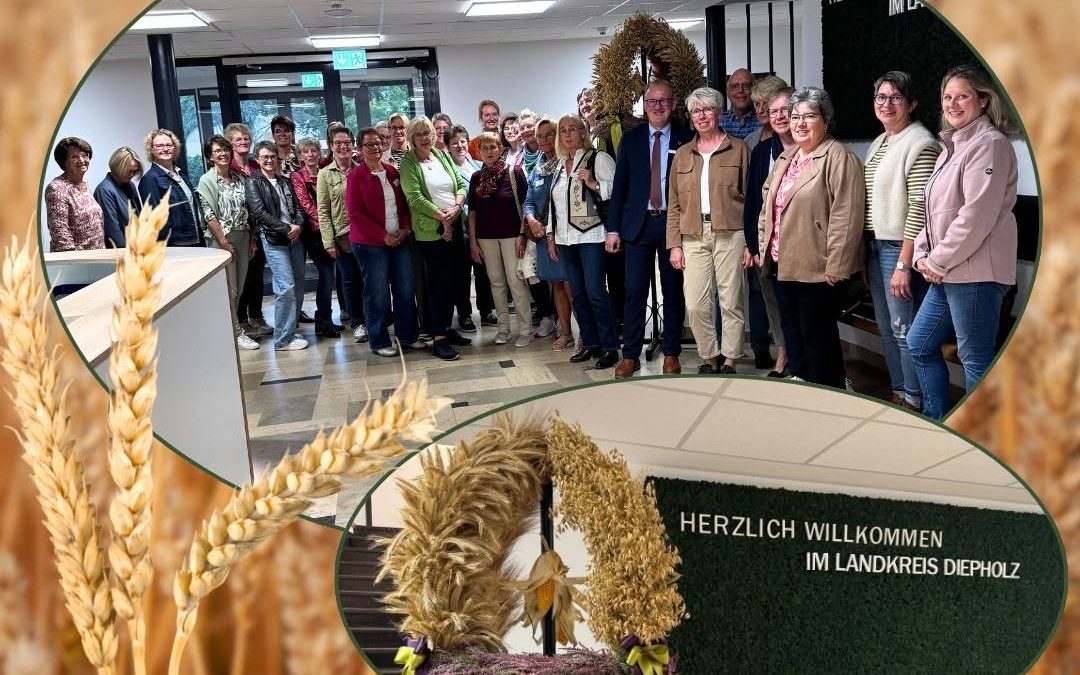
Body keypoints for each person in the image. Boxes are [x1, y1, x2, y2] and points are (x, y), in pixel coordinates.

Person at [908, 65, 1019, 420]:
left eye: (963, 96)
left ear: (983, 101)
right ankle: (940, 421)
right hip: (948, 271)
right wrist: (923, 255)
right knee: (919, 343)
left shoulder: (990, 145)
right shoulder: (951, 148)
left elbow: (975, 217)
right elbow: (933, 211)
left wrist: (936, 262)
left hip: (977, 275)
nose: (953, 103)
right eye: (947, 97)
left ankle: (980, 443)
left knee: (975, 358)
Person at [757, 87, 865, 388]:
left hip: (818, 268)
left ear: (826, 120)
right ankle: (802, 383)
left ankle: (827, 390)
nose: (800, 123)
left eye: (809, 116)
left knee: (817, 336)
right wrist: (765, 245)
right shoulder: (787, 157)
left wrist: (837, 265)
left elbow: (847, 215)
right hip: (783, 262)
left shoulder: (838, 158)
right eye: (795, 117)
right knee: (793, 330)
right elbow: (768, 205)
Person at [863, 71, 942, 412]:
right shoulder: (881, 142)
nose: (887, 104)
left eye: (896, 97)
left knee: (904, 330)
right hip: (876, 247)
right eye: (881, 97)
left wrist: (902, 265)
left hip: (899, 249)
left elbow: (919, 210)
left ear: (912, 103)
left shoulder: (920, 142)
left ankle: (915, 400)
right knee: (887, 327)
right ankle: (898, 392)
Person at [607, 80, 692, 378]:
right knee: (634, 291)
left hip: (673, 225)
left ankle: (671, 352)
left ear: (673, 103)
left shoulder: (686, 137)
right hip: (637, 226)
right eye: (652, 101)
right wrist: (612, 229)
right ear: (644, 106)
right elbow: (620, 188)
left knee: (673, 291)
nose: (658, 106)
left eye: (664, 101)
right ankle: (629, 354)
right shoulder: (630, 140)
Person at [668, 87, 750, 375]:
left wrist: (751, 242)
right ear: (691, 117)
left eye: (707, 109)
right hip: (693, 235)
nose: (702, 116)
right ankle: (709, 356)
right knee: (696, 303)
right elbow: (674, 204)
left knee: (731, 300)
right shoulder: (682, 154)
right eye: (696, 111)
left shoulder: (739, 148)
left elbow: (751, 199)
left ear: (719, 112)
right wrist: (674, 245)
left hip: (731, 233)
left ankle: (728, 359)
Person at [544, 114, 619, 368]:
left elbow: (618, 192)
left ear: (583, 132)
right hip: (565, 239)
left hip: (592, 236)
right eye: (563, 130)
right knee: (577, 294)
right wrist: (550, 235)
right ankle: (590, 343)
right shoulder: (558, 165)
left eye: (572, 129)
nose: (567, 134)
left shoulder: (598, 158)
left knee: (596, 291)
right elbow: (554, 205)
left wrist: (594, 183)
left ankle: (610, 346)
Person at [400, 115, 472, 361]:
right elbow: (415, 198)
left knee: (455, 283)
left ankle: (448, 328)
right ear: (411, 137)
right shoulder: (409, 163)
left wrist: (456, 208)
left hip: (454, 225)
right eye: (418, 134)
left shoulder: (441, 155)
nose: (424, 138)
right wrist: (442, 218)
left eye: (427, 133)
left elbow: (461, 185)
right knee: (438, 286)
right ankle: (438, 337)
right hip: (431, 234)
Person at [346, 127, 422, 357]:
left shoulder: (391, 171)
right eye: (369, 144)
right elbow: (355, 214)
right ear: (360, 148)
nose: (375, 148)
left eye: (379, 143)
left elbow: (404, 204)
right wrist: (383, 236)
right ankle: (379, 341)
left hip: (400, 240)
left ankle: (407, 336)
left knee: (406, 290)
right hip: (370, 245)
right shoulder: (355, 176)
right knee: (377, 293)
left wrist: (406, 228)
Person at [744, 87, 796, 378]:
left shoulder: (809, 149)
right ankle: (783, 353)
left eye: (783, 110)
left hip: (799, 244)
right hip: (767, 243)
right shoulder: (762, 150)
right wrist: (752, 245)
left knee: (796, 302)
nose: (777, 116)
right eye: (771, 111)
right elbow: (752, 200)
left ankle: (797, 357)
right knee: (773, 303)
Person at [467, 131, 533, 347]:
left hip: (512, 237)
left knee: (516, 283)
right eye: (484, 148)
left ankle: (525, 330)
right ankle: (503, 329)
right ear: (478, 152)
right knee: (496, 284)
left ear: (501, 148)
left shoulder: (514, 173)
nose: (488, 152)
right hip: (486, 239)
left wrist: (522, 234)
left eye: (492, 147)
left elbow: (526, 205)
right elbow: (473, 212)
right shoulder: (477, 178)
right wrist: (473, 242)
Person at [245, 141, 309, 351]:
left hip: (294, 238)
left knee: (298, 286)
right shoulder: (253, 182)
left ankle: (289, 330)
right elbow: (259, 212)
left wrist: (297, 226)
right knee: (286, 288)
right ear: (258, 160)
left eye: (272, 156)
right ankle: (282, 340)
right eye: (265, 157)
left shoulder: (285, 181)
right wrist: (285, 228)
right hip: (274, 240)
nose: (269, 160)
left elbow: (299, 207)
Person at [196, 134, 257, 351]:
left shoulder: (239, 179)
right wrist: (223, 241)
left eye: (225, 149)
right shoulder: (207, 180)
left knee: (239, 288)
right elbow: (209, 214)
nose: (223, 154)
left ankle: (232, 328)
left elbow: (249, 211)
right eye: (217, 151)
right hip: (222, 240)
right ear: (210, 156)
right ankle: (234, 333)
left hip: (243, 236)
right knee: (228, 290)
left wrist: (252, 239)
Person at [524, 118, 576, 351]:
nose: (544, 140)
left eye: (549, 134)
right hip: (543, 236)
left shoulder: (566, 163)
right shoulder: (537, 168)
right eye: (540, 136)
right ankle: (565, 333)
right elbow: (528, 202)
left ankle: (582, 333)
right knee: (556, 285)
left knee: (571, 285)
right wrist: (531, 220)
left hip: (564, 235)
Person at [577, 88, 625, 333]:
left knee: (616, 275)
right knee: (597, 278)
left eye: (590, 99)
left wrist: (595, 184)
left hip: (610, 220)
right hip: (586, 226)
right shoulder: (581, 146)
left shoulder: (613, 131)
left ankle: (619, 323)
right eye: (581, 101)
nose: (585, 103)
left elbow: (619, 184)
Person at [317, 126, 368, 342]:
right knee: (350, 281)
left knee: (369, 280)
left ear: (353, 145)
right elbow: (323, 210)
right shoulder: (324, 174)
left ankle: (372, 318)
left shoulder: (363, 169)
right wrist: (329, 242)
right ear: (331, 147)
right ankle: (357, 323)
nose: (342, 146)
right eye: (338, 143)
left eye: (346, 142)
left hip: (365, 235)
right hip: (342, 238)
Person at [291, 137, 343, 339]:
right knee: (326, 276)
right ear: (300, 155)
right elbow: (307, 206)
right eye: (306, 152)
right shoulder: (297, 177)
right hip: (314, 233)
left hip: (332, 230)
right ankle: (324, 320)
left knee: (330, 276)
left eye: (314, 151)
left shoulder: (325, 172)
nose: (311, 155)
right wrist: (327, 224)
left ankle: (324, 320)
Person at [445, 123, 496, 331]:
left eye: (463, 141)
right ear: (448, 146)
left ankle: (486, 311)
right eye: (454, 143)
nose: (459, 146)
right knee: (462, 274)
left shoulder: (478, 165)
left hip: (482, 227)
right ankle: (465, 314)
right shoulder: (447, 169)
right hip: (460, 228)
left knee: (483, 271)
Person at [225, 121, 272, 339]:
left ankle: (257, 316)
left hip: (259, 228)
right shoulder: (228, 168)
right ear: (230, 144)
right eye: (238, 139)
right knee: (242, 278)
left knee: (257, 275)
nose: (243, 142)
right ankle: (242, 321)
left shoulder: (255, 165)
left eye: (246, 138)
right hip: (240, 230)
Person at [138, 128, 204, 246]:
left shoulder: (181, 175)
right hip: (175, 245)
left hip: (195, 239)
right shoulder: (149, 180)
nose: (165, 149)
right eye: (159, 146)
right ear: (151, 150)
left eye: (169, 145)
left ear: (175, 147)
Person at [45, 136, 105, 252]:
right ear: (64, 162)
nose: (82, 160)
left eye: (84, 155)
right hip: (76, 262)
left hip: (96, 258)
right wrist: (77, 263)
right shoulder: (57, 188)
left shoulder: (84, 185)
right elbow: (60, 235)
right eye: (74, 157)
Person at [93, 146, 142, 248]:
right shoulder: (104, 190)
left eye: (135, 171)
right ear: (118, 168)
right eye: (129, 171)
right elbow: (112, 231)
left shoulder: (130, 185)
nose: (132, 175)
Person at [743, 76, 789, 151]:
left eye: (766, 103)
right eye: (757, 104)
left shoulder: (796, 137)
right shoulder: (749, 140)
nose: (760, 110)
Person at [719, 69, 761, 140]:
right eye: (735, 86)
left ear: (754, 90)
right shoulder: (718, 122)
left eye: (746, 86)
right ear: (728, 92)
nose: (740, 90)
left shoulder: (764, 121)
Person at [518, 109, 543, 175]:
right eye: (522, 128)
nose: (525, 130)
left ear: (538, 127)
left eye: (529, 126)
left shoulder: (549, 151)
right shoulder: (517, 156)